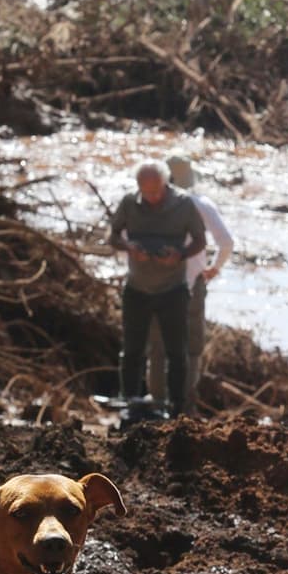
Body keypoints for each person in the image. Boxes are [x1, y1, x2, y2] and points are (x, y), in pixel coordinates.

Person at [109, 162, 206, 417]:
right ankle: (130, 401)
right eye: (145, 191)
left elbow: (200, 241)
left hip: (173, 289)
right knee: (132, 349)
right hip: (137, 288)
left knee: (176, 351)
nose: (151, 197)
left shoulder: (184, 204)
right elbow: (113, 236)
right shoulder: (130, 203)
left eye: (156, 191)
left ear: (165, 183)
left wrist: (180, 255)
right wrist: (130, 247)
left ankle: (176, 406)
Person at [146, 156, 234, 408]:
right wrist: (214, 268)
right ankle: (182, 405)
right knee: (190, 347)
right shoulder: (200, 204)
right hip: (190, 286)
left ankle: (157, 403)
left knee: (157, 346)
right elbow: (226, 243)